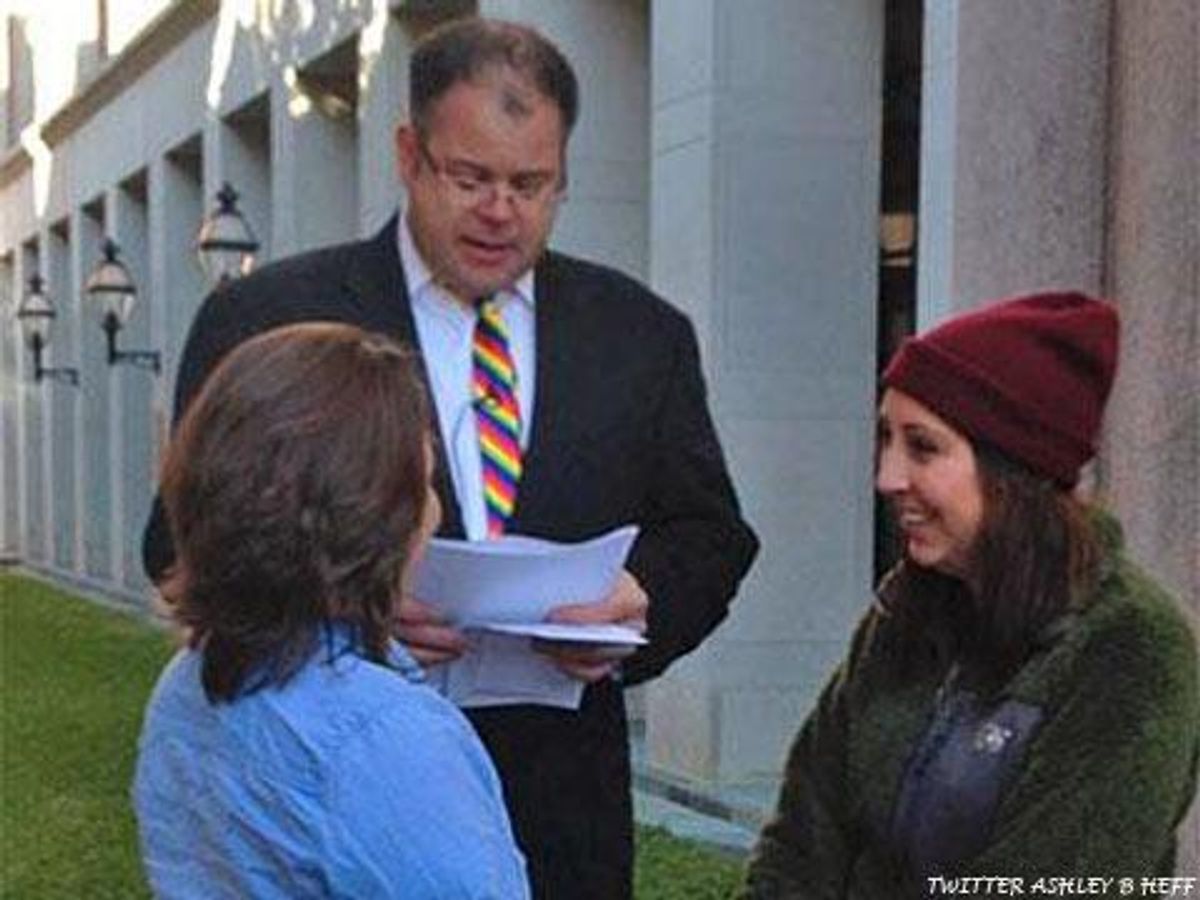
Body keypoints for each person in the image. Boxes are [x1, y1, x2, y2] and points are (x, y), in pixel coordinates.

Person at [141, 17, 758, 899]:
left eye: (532, 183)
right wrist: (346, 607)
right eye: (470, 177)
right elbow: (177, 539)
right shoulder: (270, 318)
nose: (501, 209)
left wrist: (636, 606)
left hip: (563, 814)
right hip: (318, 797)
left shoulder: (642, 334)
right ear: (409, 154)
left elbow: (710, 533)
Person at [743, 292, 1199, 897]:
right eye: (885, 438)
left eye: (923, 446)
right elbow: (802, 838)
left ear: (1013, 471)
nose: (887, 476)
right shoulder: (906, 610)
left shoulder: (1133, 648)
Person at [133, 323, 529, 898]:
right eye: (423, 483)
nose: (435, 513)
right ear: (373, 515)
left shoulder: (185, 684)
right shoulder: (388, 736)